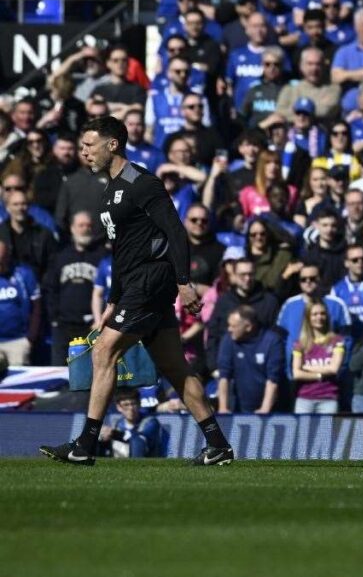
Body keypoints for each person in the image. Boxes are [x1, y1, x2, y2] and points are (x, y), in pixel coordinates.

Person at [40, 116, 233, 466]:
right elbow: (121, 251)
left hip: (151, 279)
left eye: (89, 145)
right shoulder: (109, 189)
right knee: (175, 366)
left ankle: (85, 445)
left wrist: (183, 282)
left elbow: (176, 231)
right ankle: (218, 444)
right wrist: (113, 299)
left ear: (112, 144)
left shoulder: (142, 183)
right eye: (82, 146)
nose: (84, 152)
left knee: (104, 351)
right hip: (133, 283)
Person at [44, 211, 106, 365]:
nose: (85, 229)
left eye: (89, 226)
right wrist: (54, 319)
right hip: (64, 326)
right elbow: (50, 288)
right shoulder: (60, 256)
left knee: (93, 373)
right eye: (81, 225)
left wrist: (101, 319)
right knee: (59, 374)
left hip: (92, 326)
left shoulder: (102, 257)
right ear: (72, 228)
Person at [217, 305, 286, 414]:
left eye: (233, 326)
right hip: (238, 407)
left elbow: (273, 379)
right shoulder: (229, 340)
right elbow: (224, 376)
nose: (229, 329)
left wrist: (265, 410)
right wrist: (223, 408)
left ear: (248, 327)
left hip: (270, 408)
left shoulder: (272, 341)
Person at [291, 299, 345, 414]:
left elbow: (333, 369)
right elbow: (296, 373)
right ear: (308, 318)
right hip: (304, 399)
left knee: (325, 432)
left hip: (328, 398)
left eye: (322, 313)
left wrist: (306, 368)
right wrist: (320, 375)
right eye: (314, 314)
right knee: (303, 433)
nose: (319, 317)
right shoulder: (299, 343)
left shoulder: (337, 340)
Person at [0, 240, 41, 366]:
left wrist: (30, 338)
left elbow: (36, 306)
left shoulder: (23, 274)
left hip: (18, 341)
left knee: (19, 382)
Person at [98, 388, 165, 458]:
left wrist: (115, 434)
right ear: (119, 407)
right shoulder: (118, 423)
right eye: (126, 405)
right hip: (121, 459)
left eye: (133, 404)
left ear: (139, 404)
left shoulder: (151, 422)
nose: (131, 408)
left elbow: (138, 438)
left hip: (146, 460)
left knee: (137, 441)